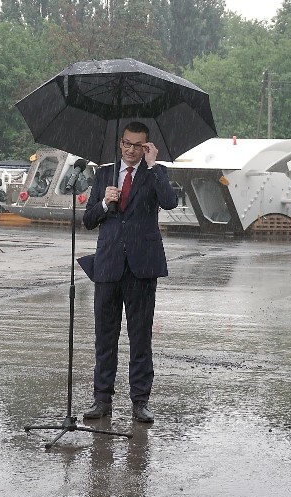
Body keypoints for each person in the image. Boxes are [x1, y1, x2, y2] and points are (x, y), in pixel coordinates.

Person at [81, 121, 178, 423]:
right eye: (127, 143)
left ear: (147, 146)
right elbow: (88, 221)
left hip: (141, 266)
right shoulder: (103, 174)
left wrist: (153, 166)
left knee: (140, 337)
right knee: (104, 337)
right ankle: (102, 399)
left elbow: (170, 202)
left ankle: (140, 401)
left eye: (139, 145)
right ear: (120, 143)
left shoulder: (154, 173)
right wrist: (103, 202)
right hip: (108, 265)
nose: (132, 150)